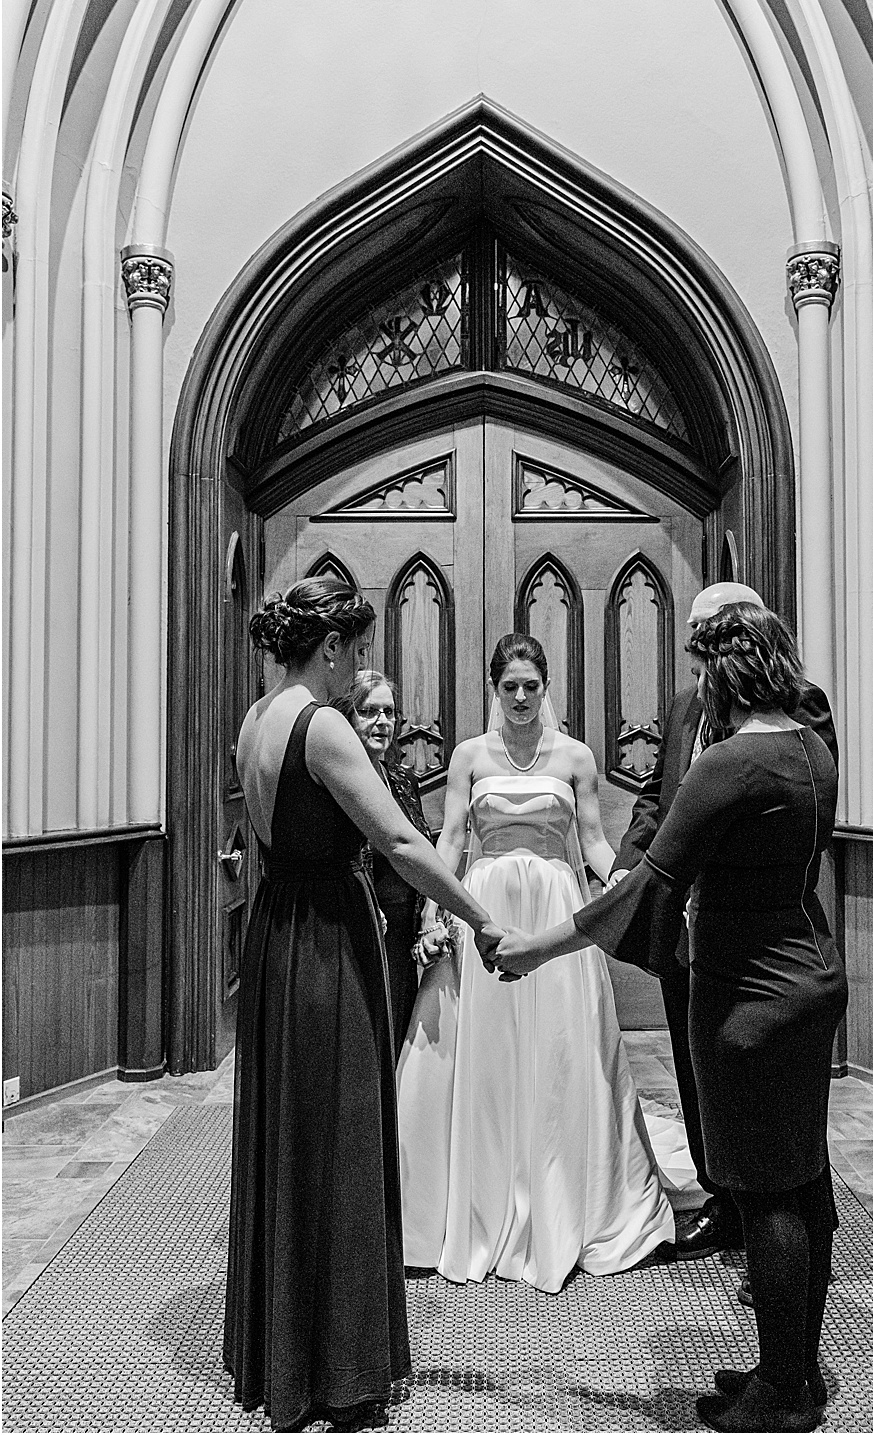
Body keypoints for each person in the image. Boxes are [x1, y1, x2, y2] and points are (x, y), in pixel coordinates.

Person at [487, 602, 845, 1434]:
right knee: (806, 1177)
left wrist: (533, 949)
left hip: (749, 997)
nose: (695, 690)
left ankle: (784, 1395)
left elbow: (645, 885)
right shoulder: (812, 751)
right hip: (810, 978)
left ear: (721, 678)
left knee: (764, 1193)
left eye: (699, 675)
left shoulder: (728, 766)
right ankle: (792, 1367)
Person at [227, 577, 507, 1430]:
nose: (364, 667)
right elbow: (398, 839)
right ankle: (339, 1370)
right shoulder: (325, 727)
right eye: (361, 650)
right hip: (324, 943)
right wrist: (481, 916)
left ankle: (279, 1348)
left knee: (291, 1133)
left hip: (276, 931)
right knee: (342, 1137)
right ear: (335, 647)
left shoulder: (256, 717)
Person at [395, 633, 678, 1292]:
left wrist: (626, 886)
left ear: (546, 686)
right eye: (509, 687)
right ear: (493, 689)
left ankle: (563, 1197)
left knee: (560, 1054)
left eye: (531, 686)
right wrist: (438, 910)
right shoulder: (467, 755)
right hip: (486, 906)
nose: (521, 698)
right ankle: (481, 1196)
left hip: (554, 908)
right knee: (488, 1059)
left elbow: (592, 840)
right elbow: (454, 839)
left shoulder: (577, 757)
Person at [609, 581, 838, 1266]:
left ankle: (769, 1234)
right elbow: (657, 797)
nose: (696, 659)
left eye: (707, 638)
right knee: (694, 1066)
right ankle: (722, 1196)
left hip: (757, 932)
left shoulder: (796, 715)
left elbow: (804, 818)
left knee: (773, 1124)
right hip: (692, 930)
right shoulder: (686, 708)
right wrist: (631, 864)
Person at [338, 670, 437, 1039]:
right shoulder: (335, 778)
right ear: (347, 718)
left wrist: (432, 914)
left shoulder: (403, 779)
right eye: (369, 711)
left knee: (397, 1033)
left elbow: (419, 848)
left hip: (402, 930)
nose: (382, 722)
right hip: (358, 926)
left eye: (389, 712)